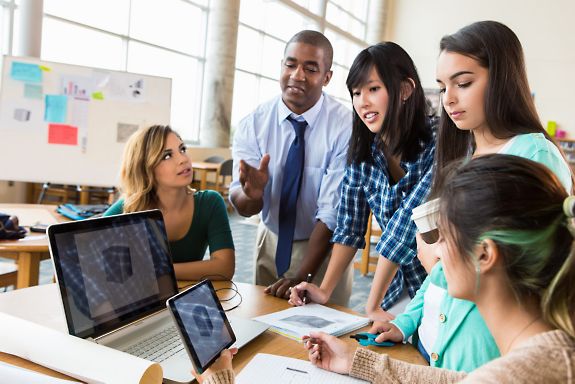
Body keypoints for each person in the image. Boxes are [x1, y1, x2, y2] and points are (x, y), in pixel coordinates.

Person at [195, 155, 575, 383]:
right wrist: (357, 361)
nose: (435, 249)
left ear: (485, 255)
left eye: (443, 236)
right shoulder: (547, 355)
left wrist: (220, 377)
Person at [366, 20, 574, 370]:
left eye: (463, 83)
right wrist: (407, 321)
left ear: (502, 80)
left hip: (483, 351)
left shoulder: (533, 155)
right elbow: (444, 266)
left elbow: (525, 270)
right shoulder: (463, 153)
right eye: (442, 86)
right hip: (433, 345)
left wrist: (436, 259)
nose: (448, 98)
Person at [289, 42, 435, 320]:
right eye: (356, 93)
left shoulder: (440, 142)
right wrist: (324, 290)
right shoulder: (363, 153)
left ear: (405, 89)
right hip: (400, 287)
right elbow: (349, 226)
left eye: (373, 89)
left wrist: (372, 304)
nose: (362, 102)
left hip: (443, 285)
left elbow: (406, 224)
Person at [229, 30, 353, 305]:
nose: (297, 75)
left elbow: (331, 212)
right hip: (270, 239)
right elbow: (242, 204)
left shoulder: (345, 126)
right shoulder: (254, 124)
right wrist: (253, 194)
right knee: (263, 323)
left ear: (327, 77)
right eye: (290, 64)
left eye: (311, 68)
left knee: (323, 336)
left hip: (323, 246)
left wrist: (303, 274)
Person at [104, 125, 235, 281]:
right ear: (145, 168)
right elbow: (82, 248)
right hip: (144, 300)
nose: (183, 159)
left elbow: (224, 268)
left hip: (186, 300)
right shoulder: (130, 207)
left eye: (182, 149)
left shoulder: (210, 202)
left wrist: (157, 269)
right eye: (167, 156)